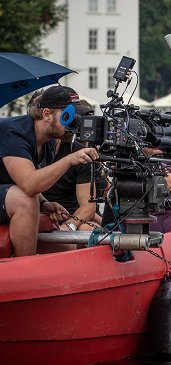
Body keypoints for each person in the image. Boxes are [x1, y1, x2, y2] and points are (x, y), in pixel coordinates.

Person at [0, 85, 99, 256]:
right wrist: (69, 159)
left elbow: (19, 179)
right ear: (46, 114)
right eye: (69, 116)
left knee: (65, 247)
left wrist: (44, 203)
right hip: (14, 197)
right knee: (24, 199)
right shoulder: (14, 132)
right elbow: (29, 185)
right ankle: (26, 271)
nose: (74, 123)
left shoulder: (49, 141)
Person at [27, 92, 100, 231]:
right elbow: (27, 187)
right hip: (37, 215)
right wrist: (44, 205)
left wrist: (69, 225)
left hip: (73, 218)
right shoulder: (25, 147)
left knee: (87, 230)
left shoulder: (80, 153)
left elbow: (89, 207)